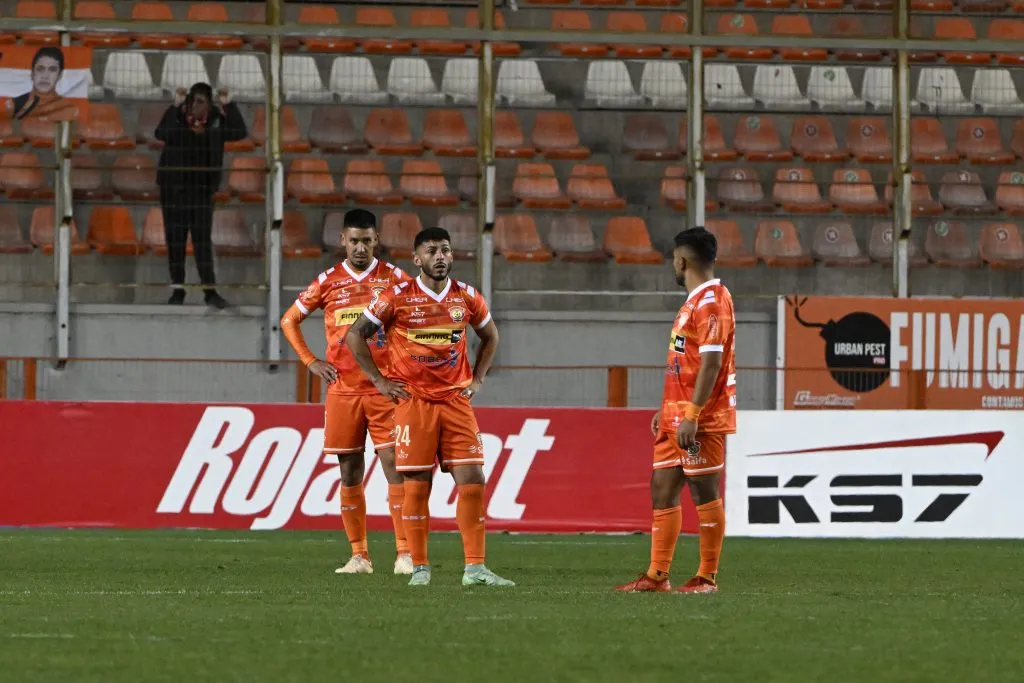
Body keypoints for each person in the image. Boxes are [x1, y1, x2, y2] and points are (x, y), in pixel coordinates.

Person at [345, 226, 514, 588]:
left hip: (456, 403)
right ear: (417, 258)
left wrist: (479, 378)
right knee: (417, 486)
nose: (440, 257)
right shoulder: (396, 297)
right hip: (414, 404)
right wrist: (379, 381)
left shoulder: (466, 297)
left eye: (446, 250)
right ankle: (420, 568)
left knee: (473, 480)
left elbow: (491, 335)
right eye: (432, 251)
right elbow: (354, 334)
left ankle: (475, 569)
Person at [280, 209, 413, 576]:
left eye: (367, 241)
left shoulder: (395, 280)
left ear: (376, 241)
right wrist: (310, 361)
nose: (359, 248)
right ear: (343, 240)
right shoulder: (328, 281)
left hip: (385, 390)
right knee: (350, 471)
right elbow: (289, 320)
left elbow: (415, 319)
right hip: (343, 392)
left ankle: (404, 553)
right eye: (353, 241)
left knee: (394, 467)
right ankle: (360, 556)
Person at [617, 227, 736, 595]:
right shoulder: (694, 301)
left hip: (700, 419)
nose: (673, 264)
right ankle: (657, 576)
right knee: (662, 488)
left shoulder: (712, 301)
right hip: (676, 415)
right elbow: (686, 361)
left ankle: (706, 577)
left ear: (682, 261)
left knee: (704, 491)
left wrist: (693, 413)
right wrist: (666, 408)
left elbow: (712, 365)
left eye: (674, 259)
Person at [155, 82, 247, 309]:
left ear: (209, 104)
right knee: (175, 242)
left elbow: (239, 132)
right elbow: (161, 132)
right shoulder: (177, 119)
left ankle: (210, 292)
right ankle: (178, 291)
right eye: (191, 101)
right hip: (174, 192)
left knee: (202, 243)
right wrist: (174, 106)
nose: (194, 106)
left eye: (200, 101)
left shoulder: (216, 122)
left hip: (202, 193)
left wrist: (229, 104)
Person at [6, 46, 77, 121]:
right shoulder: (12, 106)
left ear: (60, 75)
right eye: (40, 69)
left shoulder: (69, 110)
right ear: (32, 73)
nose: (45, 76)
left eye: (52, 70)